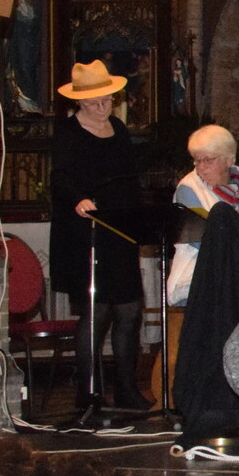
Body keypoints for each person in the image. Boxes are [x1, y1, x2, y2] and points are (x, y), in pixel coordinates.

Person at [48, 60, 149, 415]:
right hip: (86, 232)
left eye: (106, 99)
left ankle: (126, 390)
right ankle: (89, 393)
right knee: (97, 312)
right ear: (80, 101)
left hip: (119, 230)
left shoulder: (118, 130)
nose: (102, 106)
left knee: (130, 310)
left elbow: (130, 178)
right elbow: (60, 177)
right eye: (94, 102)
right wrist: (79, 199)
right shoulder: (68, 132)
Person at [168, 124, 239, 307]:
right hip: (203, 275)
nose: (201, 168)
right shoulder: (189, 189)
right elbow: (205, 241)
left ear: (229, 160)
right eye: (197, 161)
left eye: (208, 160)